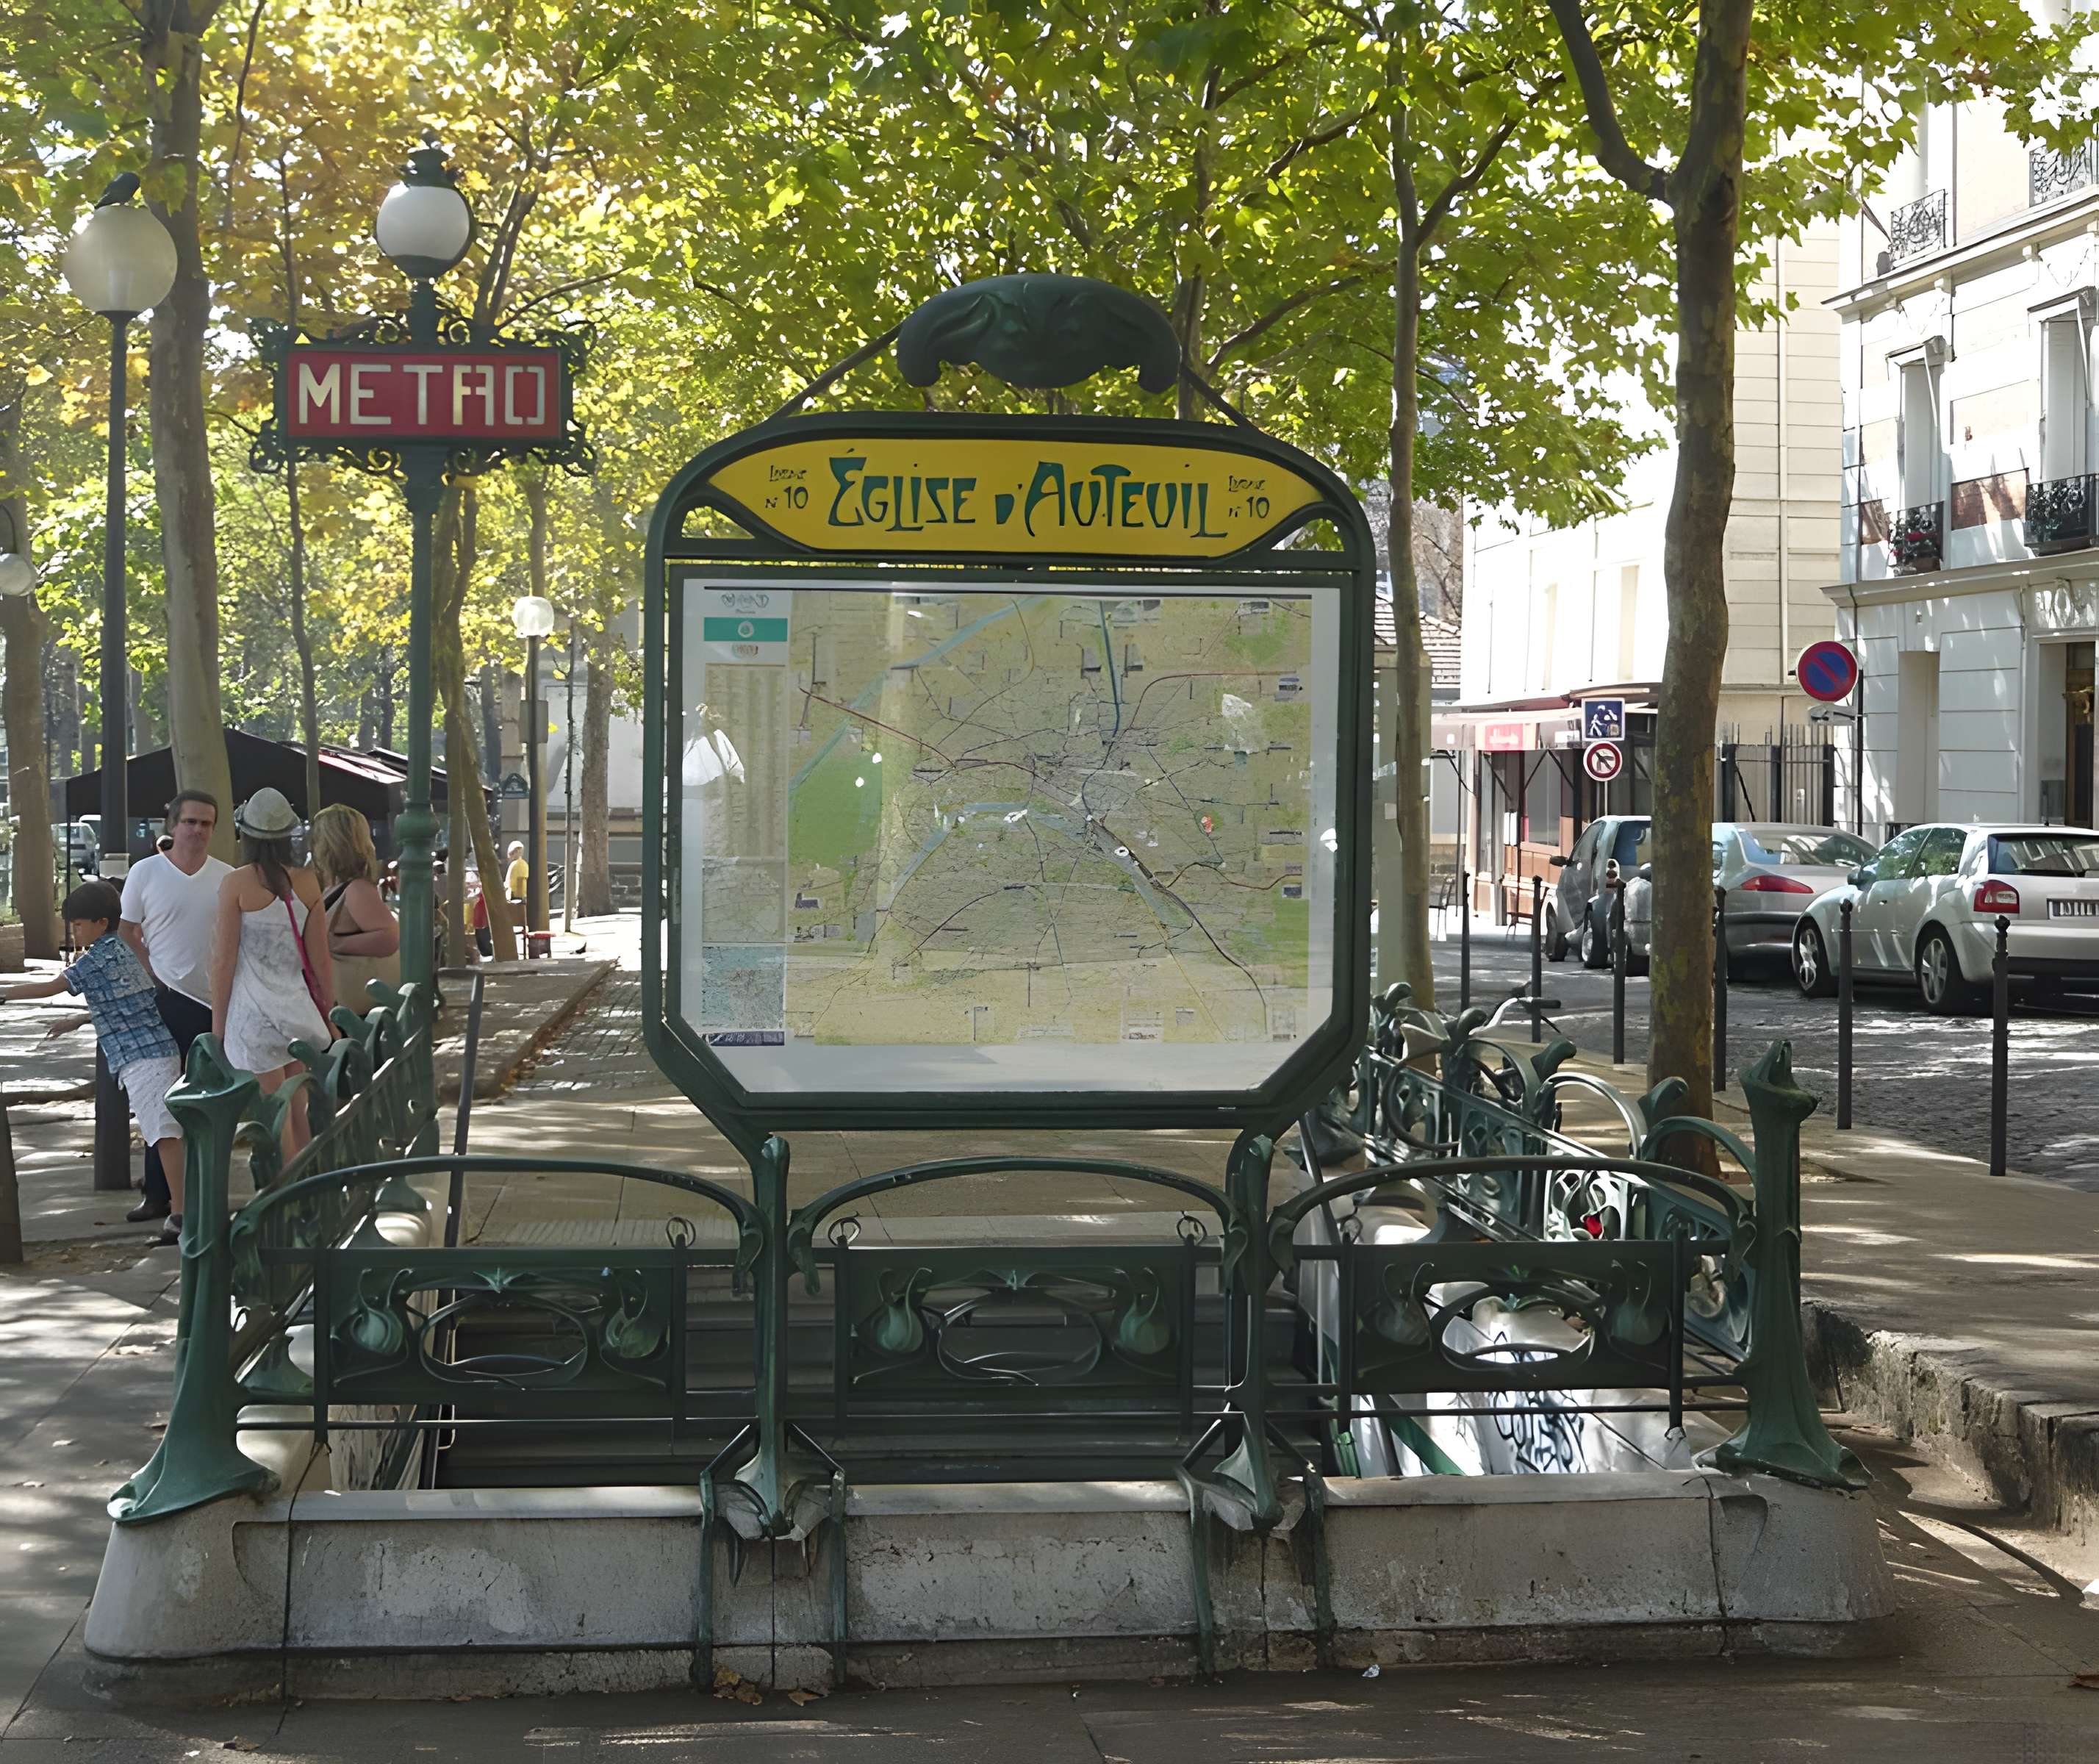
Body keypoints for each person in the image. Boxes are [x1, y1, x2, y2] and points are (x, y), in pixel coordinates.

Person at [2, 883, 186, 1246]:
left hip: (142, 1057)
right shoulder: (123, 950)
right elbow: (127, 1000)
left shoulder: (98, 958)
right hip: (154, 1052)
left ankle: (181, 1216)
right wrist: (79, 1021)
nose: (74, 933)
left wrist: (5, 994)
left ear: (102, 922)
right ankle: (182, 1210)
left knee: (165, 1135)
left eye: (79, 925)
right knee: (165, 1133)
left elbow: (51, 987)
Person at [121, 790, 231, 1229]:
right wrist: (153, 974)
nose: (198, 831)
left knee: (202, 1103)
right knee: (158, 1095)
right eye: (191, 822)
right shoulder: (145, 873)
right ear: (172, 824)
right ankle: (157, 1195)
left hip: (213, 1004)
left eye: (207, 824)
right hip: (161, 997)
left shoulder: (228, 877)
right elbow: (128, 931)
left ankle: (197, 1196)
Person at [211, 787, 334, 1158]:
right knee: (297, 1108)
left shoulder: (236, 884)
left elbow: (223, 961)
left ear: (245, 835)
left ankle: (283, 1195)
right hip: (297, 1012)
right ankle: (308, 1186)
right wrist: (329, 1013)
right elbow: (320, 960)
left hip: (253, 1017)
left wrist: (218, 1029)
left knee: (272, 1113)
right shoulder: (309, 882)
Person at [309, 805, 401, 1014]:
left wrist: (336, 943)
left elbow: (389, 937)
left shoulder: (356, 889)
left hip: (352, 1010)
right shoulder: (337, 887)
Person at [504, 841, 528, 906]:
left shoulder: (517, 864)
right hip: (518, 898)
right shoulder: (523, 864)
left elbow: (516, 882)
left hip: (515, 899)